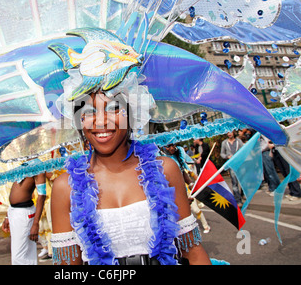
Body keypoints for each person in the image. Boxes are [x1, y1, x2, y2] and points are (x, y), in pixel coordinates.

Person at [50, 89, 211, 265]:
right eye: (89, 112)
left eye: (113, 108)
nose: (102, 120)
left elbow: (193, 252)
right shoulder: (66, 186)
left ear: (132, 113)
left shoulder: (164, 170)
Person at [163, 144, 211, 234]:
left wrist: (191, 183)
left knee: (194, 211)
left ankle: (204, 227)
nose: (172, 148)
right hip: (170, 195)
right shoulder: (160, 158)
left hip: (184, 192)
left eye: (173, 145)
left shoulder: (178, 156)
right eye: (168, 146)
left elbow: (184, 173)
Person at [2, 172, 47, 265]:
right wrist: (7, 216)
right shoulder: (23, 163)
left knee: (19, 255)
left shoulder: (39, 168)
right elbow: (15, 190)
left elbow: (41, 196)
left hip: (24, 213)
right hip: (14, 211)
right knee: (19, 253)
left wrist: (35, 223)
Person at [220, 131, 245, 205]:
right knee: (234, 183)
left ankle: (242, 194)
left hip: (240, 163)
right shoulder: (224, 143)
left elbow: (243, 150)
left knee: (242, 181)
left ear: (233, 132)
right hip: (232, 165)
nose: (229, 134)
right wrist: (227, 156)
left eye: (230, 132)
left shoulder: (238, 141)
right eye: (227, 132)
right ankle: (238, 200)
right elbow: (222, 154)